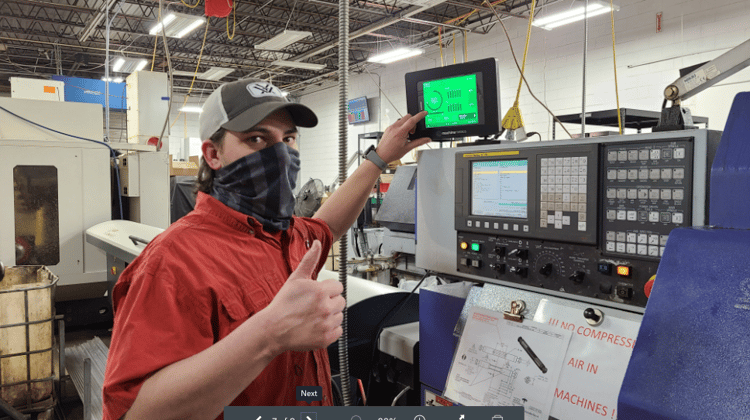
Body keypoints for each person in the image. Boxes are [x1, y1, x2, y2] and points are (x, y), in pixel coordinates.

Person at [102, 78, 430, 420]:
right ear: (213, 154)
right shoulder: (174, 261)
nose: (280, 153)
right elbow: (136, 414)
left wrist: (379, 158)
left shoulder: (287, 236)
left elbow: (329, 226)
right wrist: (268, 334)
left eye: (287, 139)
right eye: (256, 138)